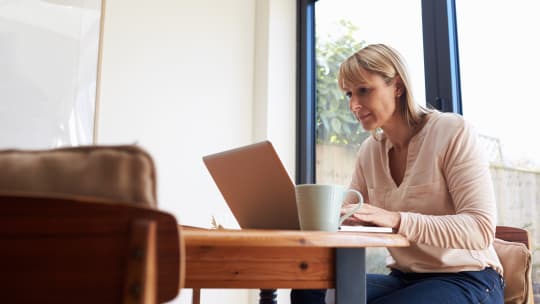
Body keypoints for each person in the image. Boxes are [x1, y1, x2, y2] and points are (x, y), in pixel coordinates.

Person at [292, 44, 504, 304]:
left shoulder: (453, 131)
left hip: (468, 276)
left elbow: (479, 229)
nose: (354, 105)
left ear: (398, 86)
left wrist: (395, 219)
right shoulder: (370, 151)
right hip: (403, 277)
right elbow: (347, 216)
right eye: (349, 94)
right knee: (308, 290)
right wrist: (320, 216)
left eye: (364, 90)